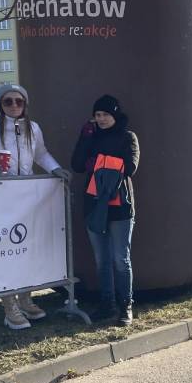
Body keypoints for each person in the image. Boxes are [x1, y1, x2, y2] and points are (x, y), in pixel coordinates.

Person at [0, 83, 68, 330]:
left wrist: (55, 169)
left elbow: (41, 153)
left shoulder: (33, 128)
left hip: (27, 201)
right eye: (7, 101)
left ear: (25, 104)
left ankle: (25, 299)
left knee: (26, 251)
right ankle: (9, 306)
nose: (13, 105)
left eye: (19, 101)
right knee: (6, 254)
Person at [71, 95, 141, 325]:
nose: (101, 119)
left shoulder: (128, 137)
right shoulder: (91, 136)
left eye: (105, 115)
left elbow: (130, 167)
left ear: (115, 115)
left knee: (121, 259)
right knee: (102, 260)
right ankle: (106, 304)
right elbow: (77, 164)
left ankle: (126, 306)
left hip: (120, 205)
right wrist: (85, 138)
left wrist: (99, 161)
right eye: (97, 115)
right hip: (94, 204)